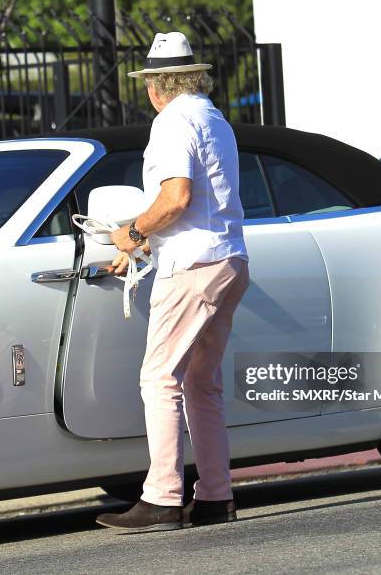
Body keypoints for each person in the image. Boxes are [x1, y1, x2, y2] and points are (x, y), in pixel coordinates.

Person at [96, 31, 249, 532]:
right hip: (228, 259)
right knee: (202, 383)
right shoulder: (213, 118)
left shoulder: (171, 123)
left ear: (154, 86)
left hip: (193, 265)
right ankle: (214, 495)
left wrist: (133, 231)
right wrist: (142, 246)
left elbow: (177, 196)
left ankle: (162, 497)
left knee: (159, 378)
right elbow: (199, 202)